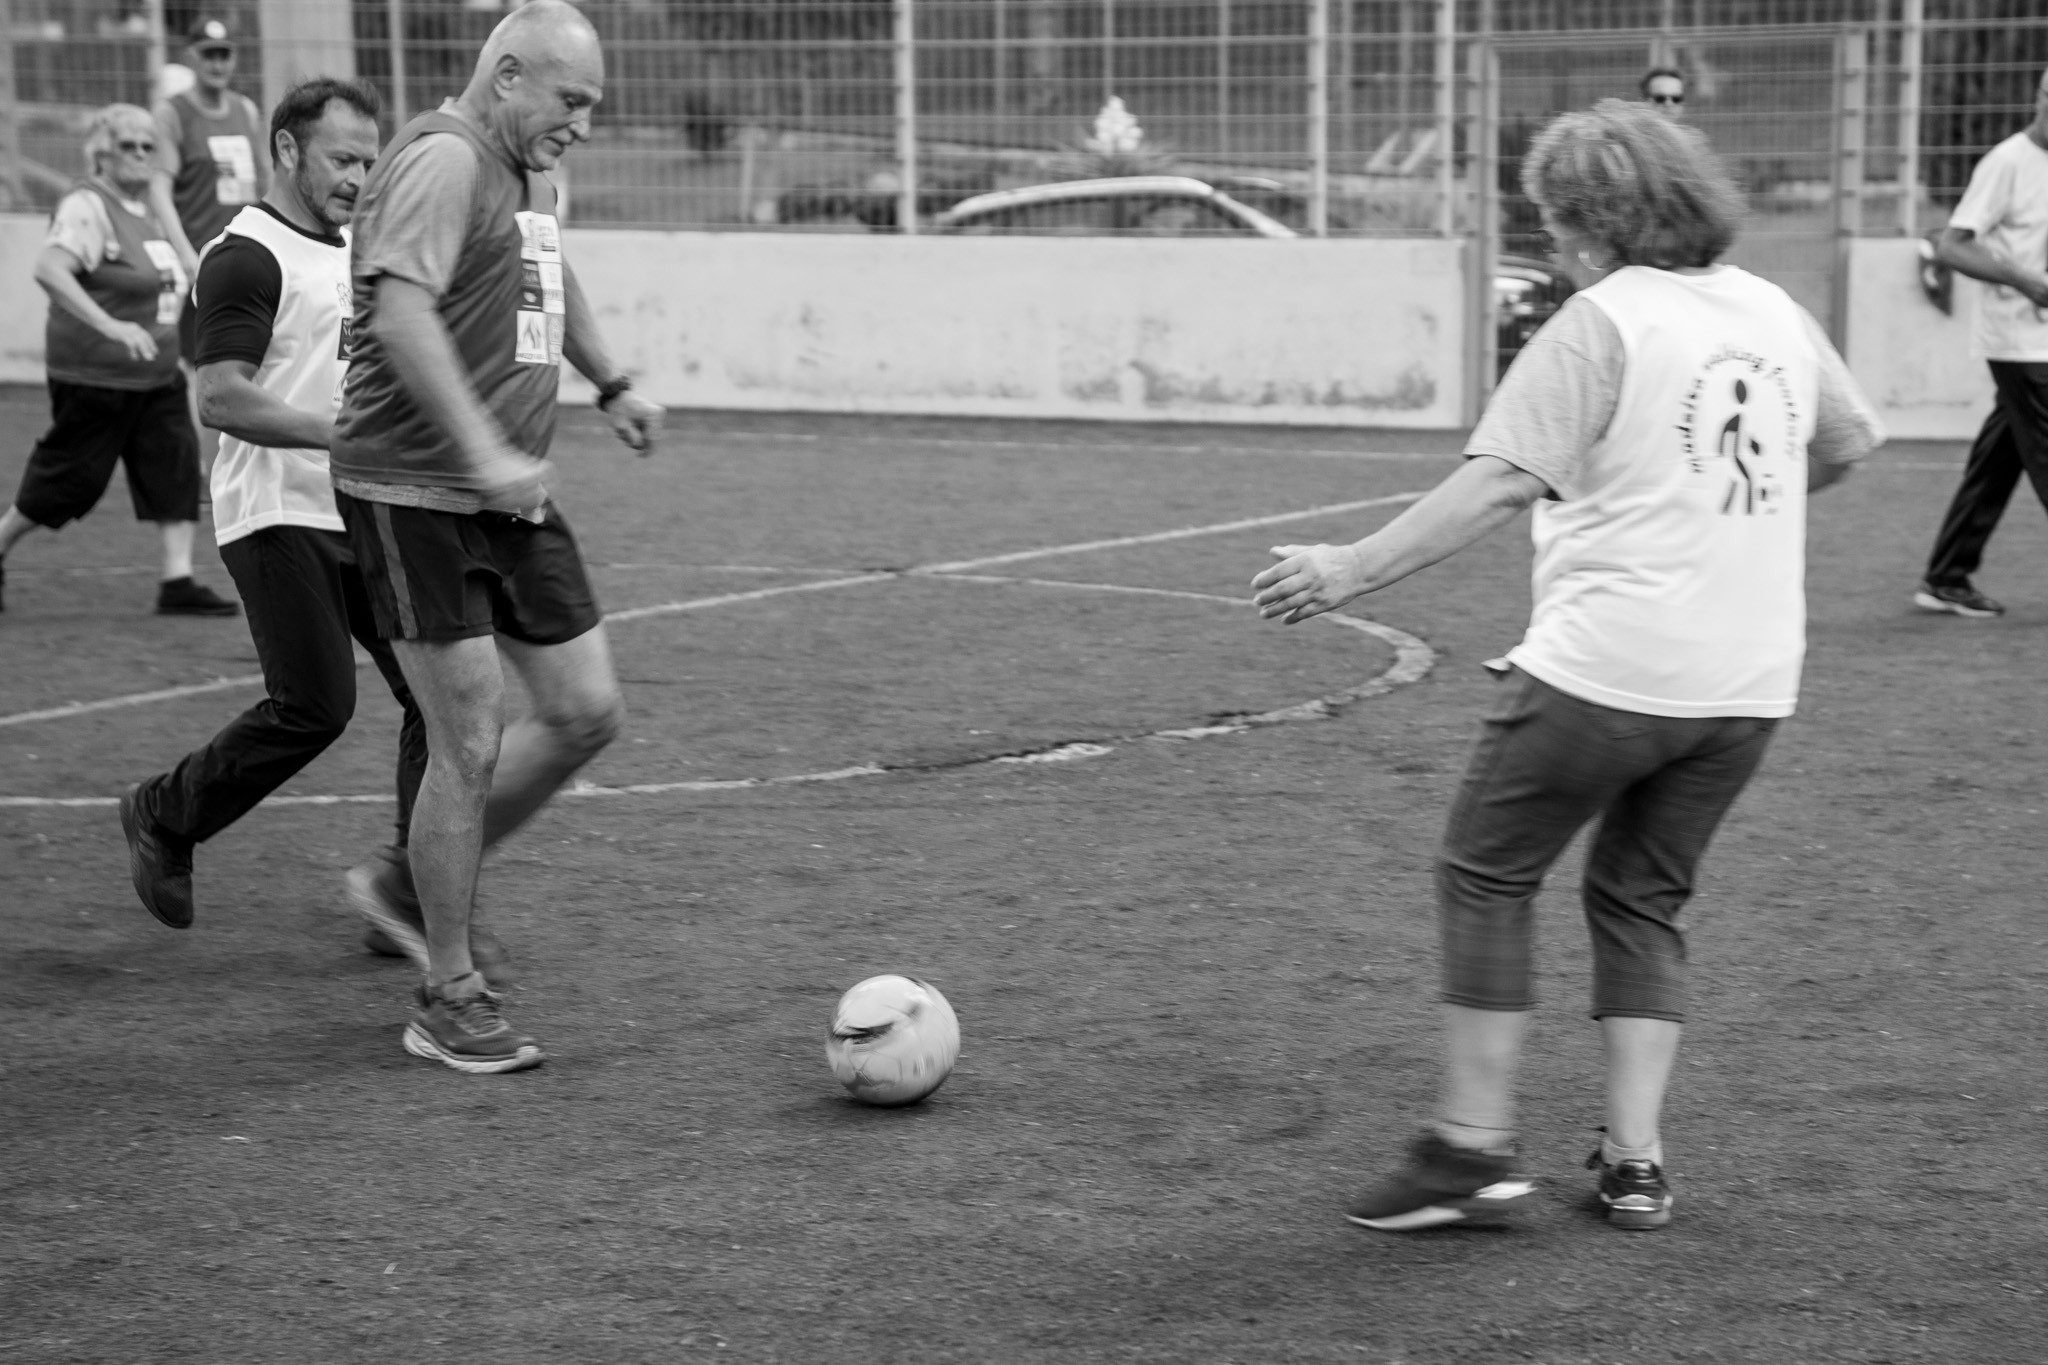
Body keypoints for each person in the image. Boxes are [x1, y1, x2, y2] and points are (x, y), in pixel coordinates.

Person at [1252, 99, 1883, 1232]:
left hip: (1607, 672)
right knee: (1641, 896)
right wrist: (1727, 508)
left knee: (1484, 872)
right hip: (1746, 687)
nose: (1549, 242)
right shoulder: (1768, 309)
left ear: (1590, 220)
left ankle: (1469, 1152)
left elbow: (1500, 480)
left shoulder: (1603, 321)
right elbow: (1842, 443)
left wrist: (1350, 566)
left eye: (1550, 220)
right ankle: (1634, 1164)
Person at [330, 0, 663, 1074]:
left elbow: (544, 275)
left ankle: (397, 887)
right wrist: (479, 452)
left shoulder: (528, 171)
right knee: (466, 736)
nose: (583, 124)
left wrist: (607, 379)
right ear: (508, 74)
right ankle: (448, 992)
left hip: (503, 498)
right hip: (416, 492)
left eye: (594, 108)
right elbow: (399, 313)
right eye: (572, 101)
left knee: (584, 714)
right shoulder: (442, 161)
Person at [115, 78, 440, 955]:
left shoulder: (350, 251)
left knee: (438, 698)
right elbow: (221, 398)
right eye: (343, 158)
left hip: (361, 509)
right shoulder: (243, 255)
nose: (359, 178)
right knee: (316, 705)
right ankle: (163, 813)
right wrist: (341, 433)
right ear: (287, 151)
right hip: (275, 514)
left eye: (370, 161)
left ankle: (408, 890)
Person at [0, 104, 237, 617]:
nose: (139, 155)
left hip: (155, 374)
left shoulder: (147, 208)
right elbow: (49, 269)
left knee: (175, 468)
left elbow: (180, 272)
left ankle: (178, 580)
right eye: (128, 145)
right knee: (70, 482)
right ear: (101, 151)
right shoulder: (88, 205)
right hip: (96, 375)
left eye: (148, 147)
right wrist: (110, 326)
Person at [1913, 66, 2048, 618]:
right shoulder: (2008, 163)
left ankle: (1946, 577)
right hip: (2020, 345)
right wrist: (2027, 283)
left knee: (2000, 457)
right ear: (2043, 96)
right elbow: (1951, 248)